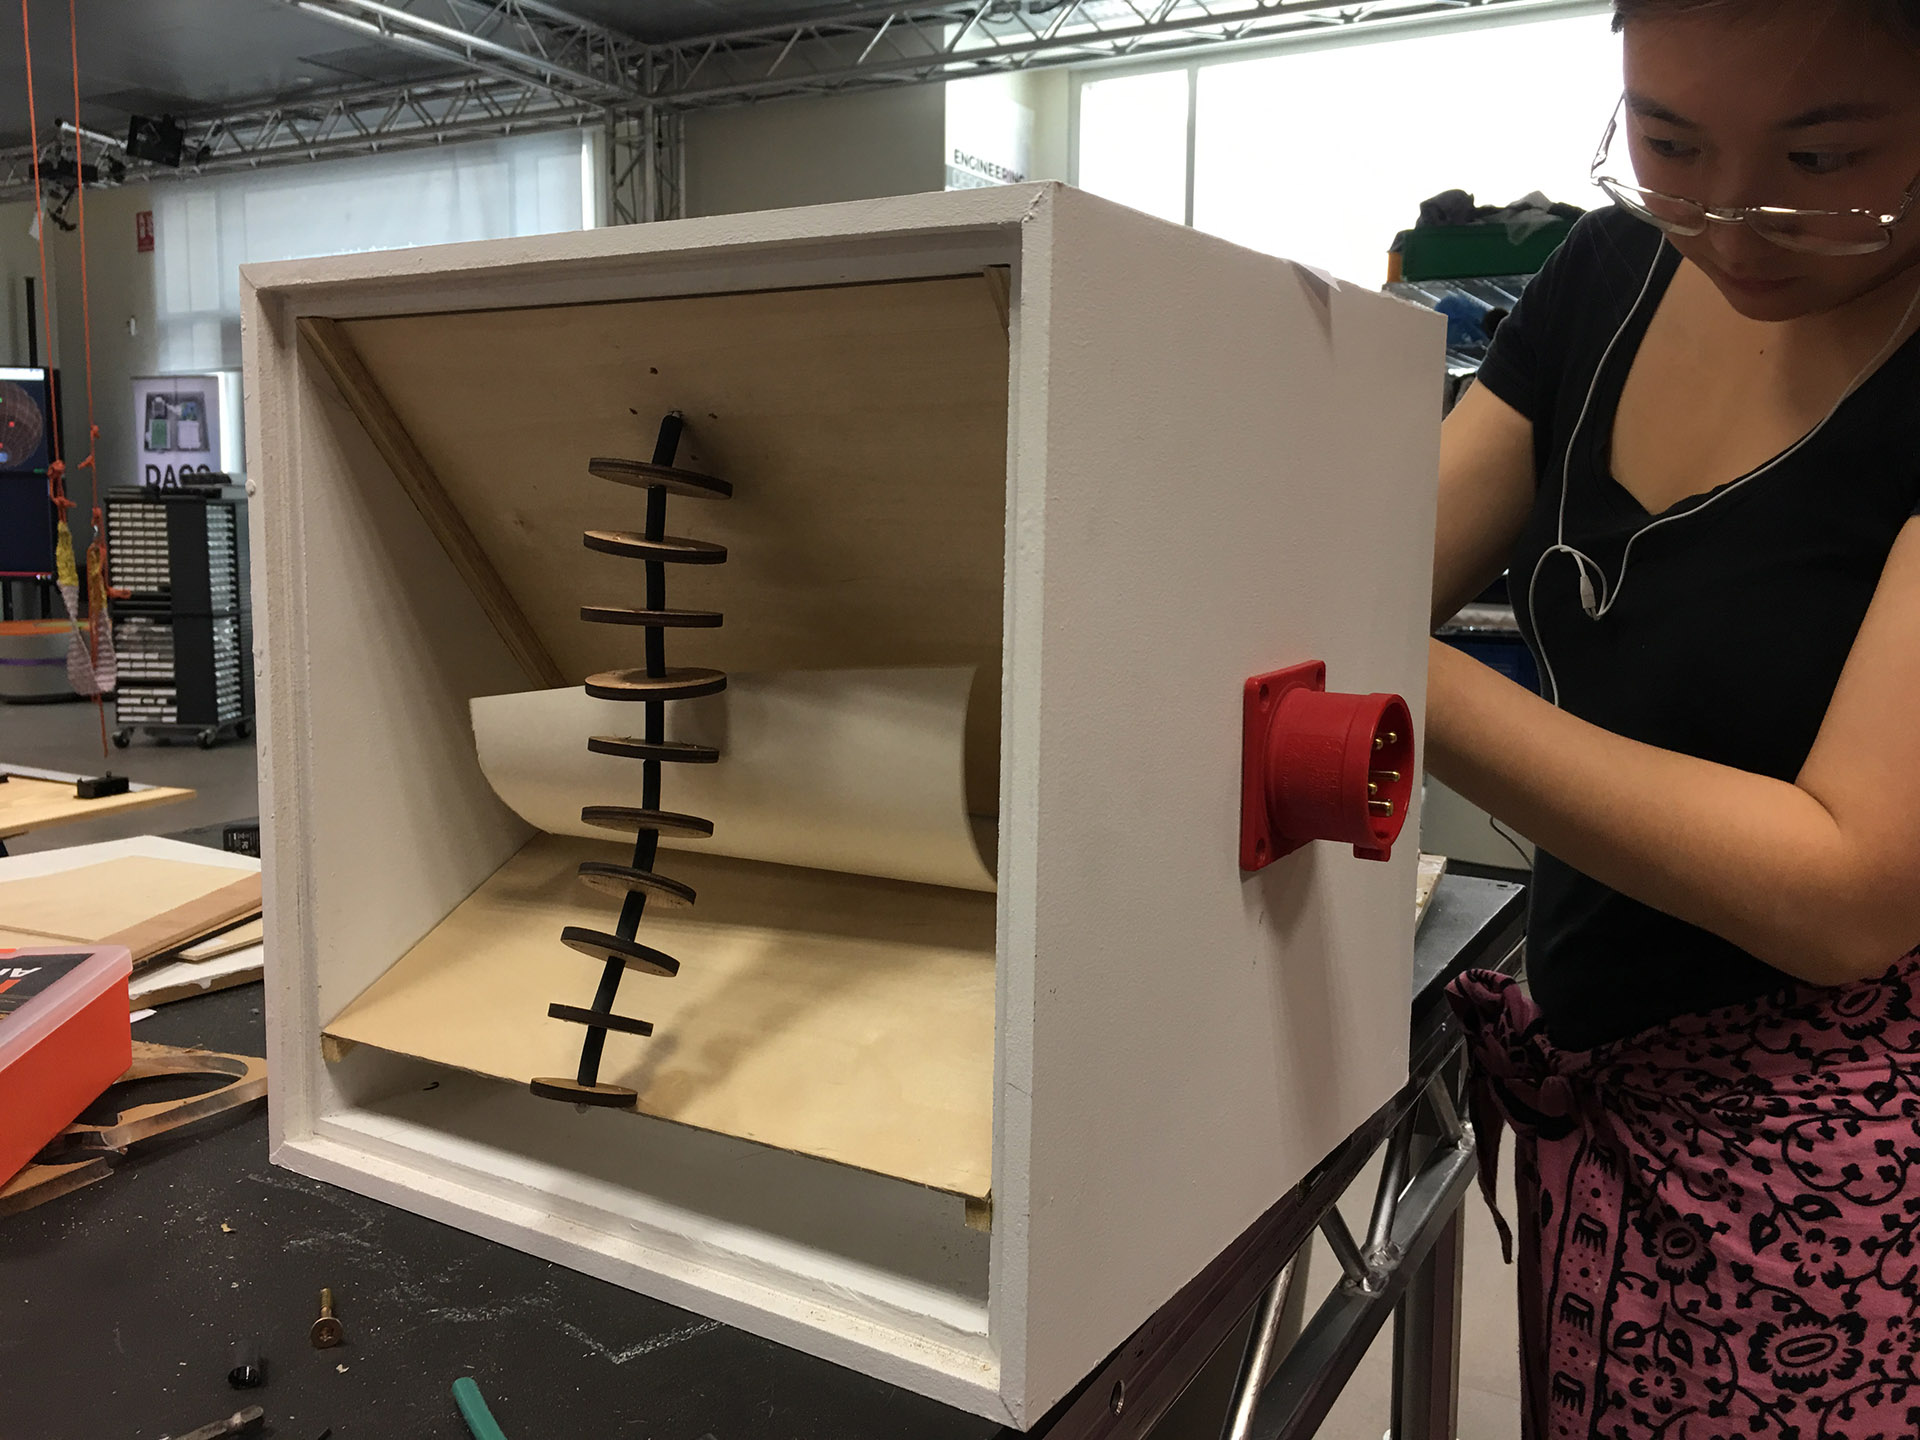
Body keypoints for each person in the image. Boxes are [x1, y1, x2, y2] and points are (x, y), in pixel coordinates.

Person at [1425, 1, 1920, 1435]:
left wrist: (1409, 687)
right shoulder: (1608, 272)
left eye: (1822, 160)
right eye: (1669, 142)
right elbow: (1367, 568)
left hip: (1842, 1181)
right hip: (1602, 1089)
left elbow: (1848, 889)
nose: (1732, 222)